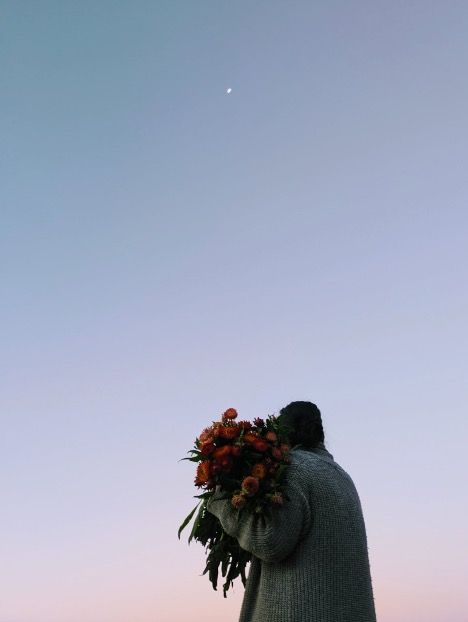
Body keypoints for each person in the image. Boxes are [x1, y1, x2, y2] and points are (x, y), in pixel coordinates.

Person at [206, 400, 377, 622]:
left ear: (283, 432)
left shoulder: (295, 470)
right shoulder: (343, 478)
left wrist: (222, 501)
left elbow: (271, 540)